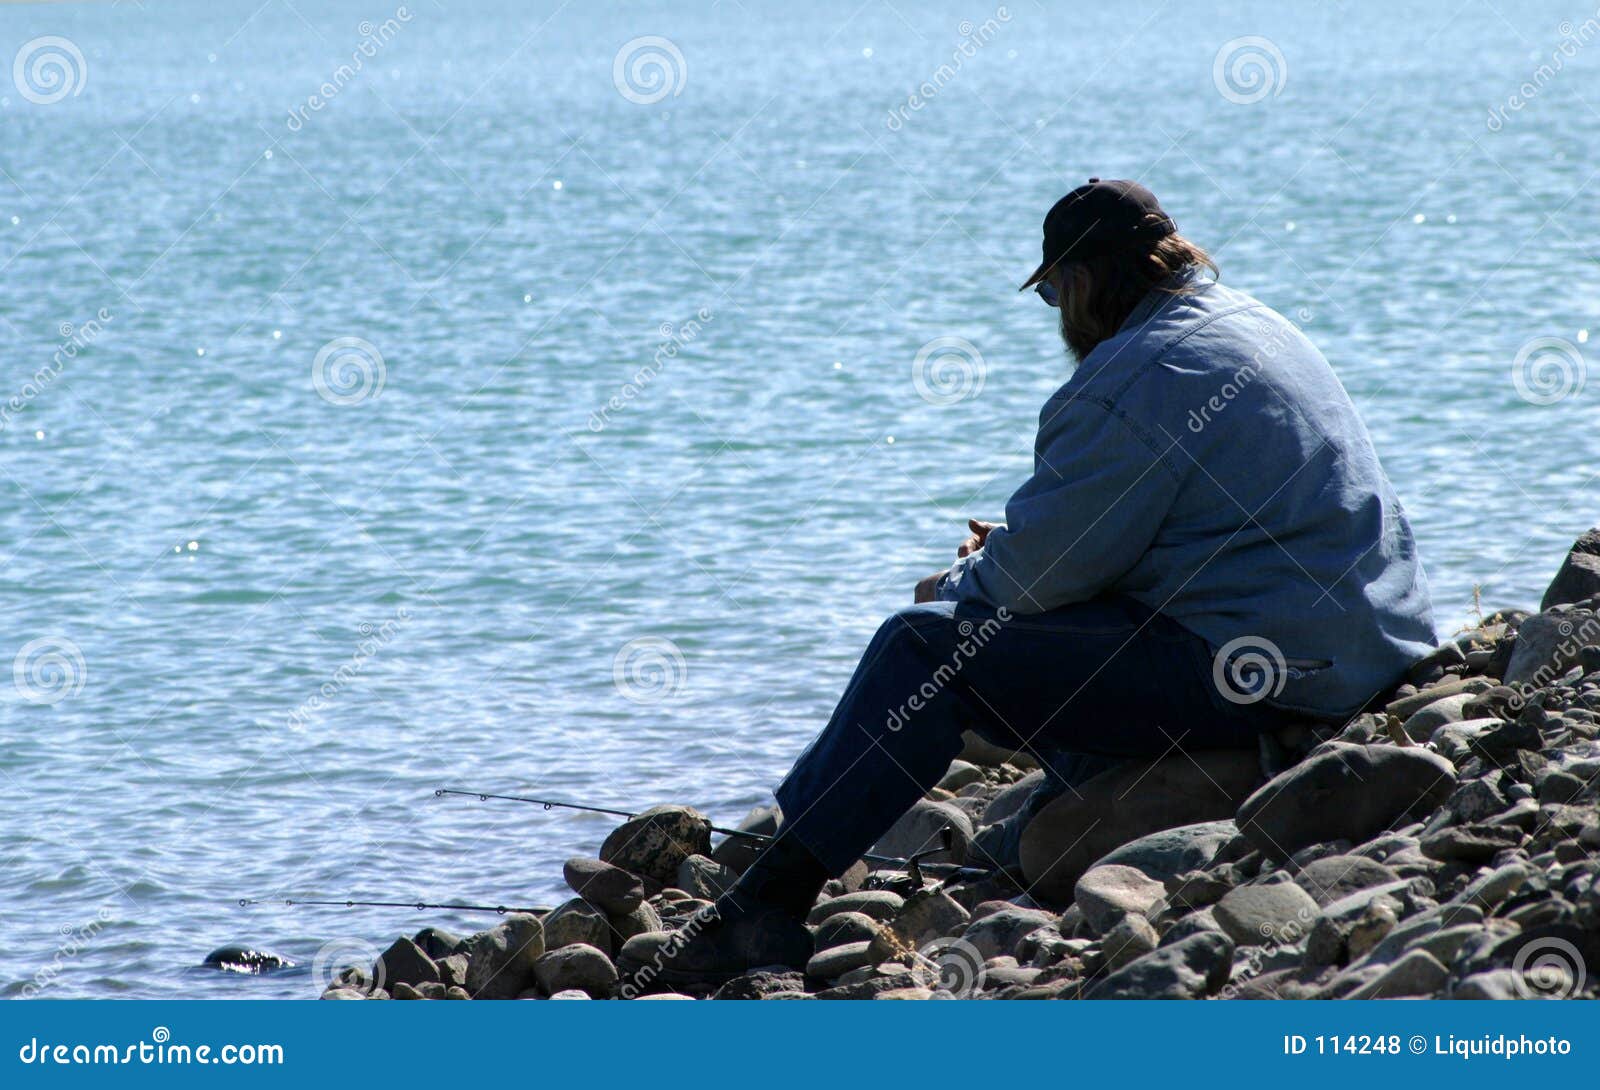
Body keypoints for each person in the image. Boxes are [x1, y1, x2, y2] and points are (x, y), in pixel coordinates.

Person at [643, 178, 1436, 987]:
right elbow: (1161, 531)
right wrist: (1023, 559)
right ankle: (1076, 798)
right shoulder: (1245, 322)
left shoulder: (1127, 380)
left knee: (922, 650)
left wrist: (958, 578)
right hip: (1371, 639)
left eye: (1053, 289)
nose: (1057, 310)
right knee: (1042, 627)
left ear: (1083, 282)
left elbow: (1033, 582)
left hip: (1272, 668)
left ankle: (762, 907)